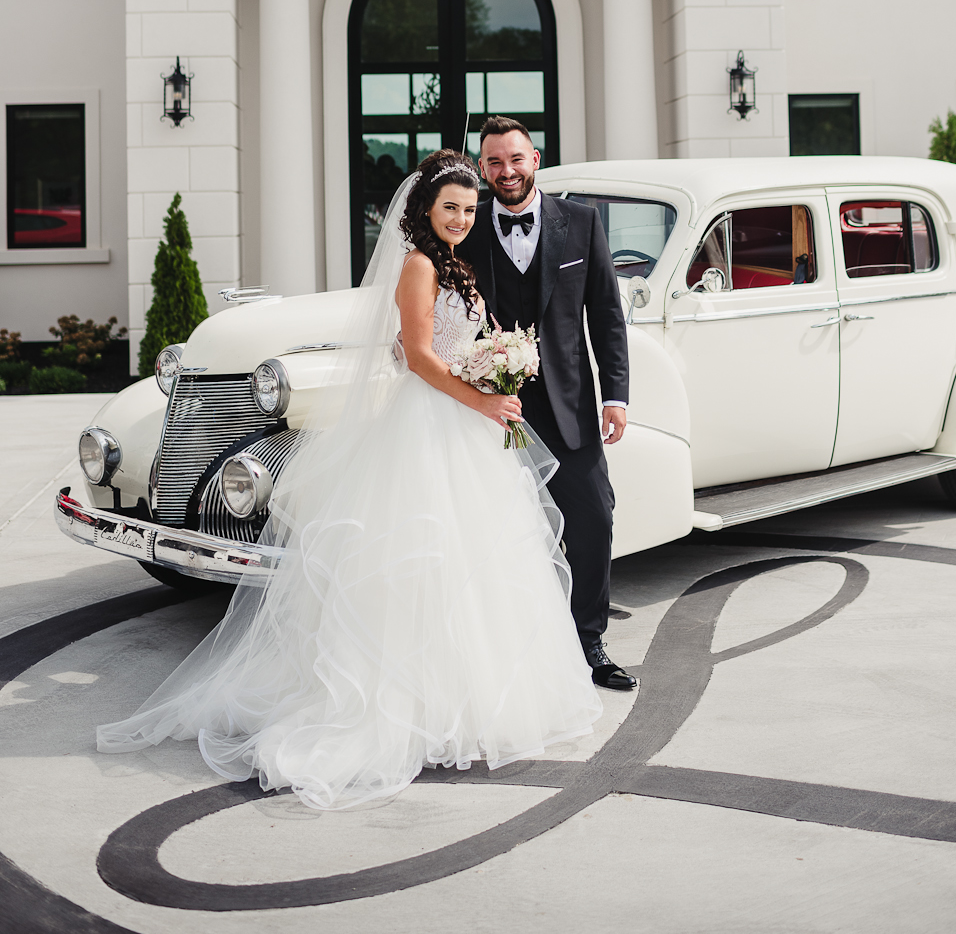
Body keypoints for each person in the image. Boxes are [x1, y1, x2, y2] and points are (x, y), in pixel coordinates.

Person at [96, 151, 602, 811]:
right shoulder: (418, 266)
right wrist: (481, 398)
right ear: (424, 208)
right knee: (422, 557)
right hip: (431, 423)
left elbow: (443, 343)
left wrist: (498, 364)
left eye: (470, 208)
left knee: (477, 564)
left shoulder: (458, 265)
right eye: (450, 206)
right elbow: (418, 357)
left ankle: (470, 700)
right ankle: (403, 708)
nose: (461, 217)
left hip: (468, 426)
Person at [458, 116, 637, 692]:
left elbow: (606, 316)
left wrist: (615, 395)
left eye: (515, 159)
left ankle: (589, 641)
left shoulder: (581, 223)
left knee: (594, 519)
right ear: (481, 167)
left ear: (536, 158)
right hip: (484, 408)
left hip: (569, 405)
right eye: (493, 163)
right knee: (491, 529)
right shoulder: (462, 227)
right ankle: (503, 653)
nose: (505, 172)